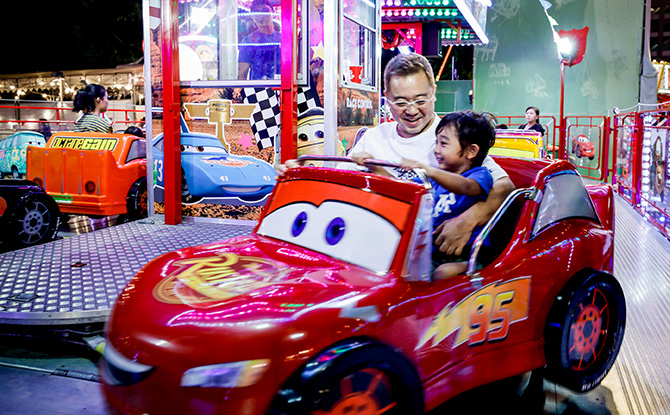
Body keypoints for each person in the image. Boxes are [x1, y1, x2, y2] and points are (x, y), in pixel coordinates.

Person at [278, 53, 515, 258]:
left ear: (434, 92)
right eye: (400, 102)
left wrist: (467, 221)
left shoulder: (453, 137)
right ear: (387, 98)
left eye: (420, 100)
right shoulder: (373, 138)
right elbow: (337, 182)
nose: (411, 111)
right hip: (379, 243)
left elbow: (504, 186)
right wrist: (297, 176)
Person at [401, 111, 495, 280]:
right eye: (436, 142)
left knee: (442, 274)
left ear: (471, 151)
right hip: (432, 252)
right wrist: (373, 166)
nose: (436, 150)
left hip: (466, 256)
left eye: (443, 144)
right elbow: (399, 187)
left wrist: (430, 170)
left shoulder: (480, 175)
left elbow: (466, 187)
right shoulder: (435, 178)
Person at [238, 0, 281, 81]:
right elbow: (242, 74)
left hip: (283, 88)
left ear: (273, 12)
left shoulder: (284, 39)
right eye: (256, 12)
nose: (261, 15)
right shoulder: (248, 41)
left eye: (265, 10)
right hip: (257, 89)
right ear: (252, 16)